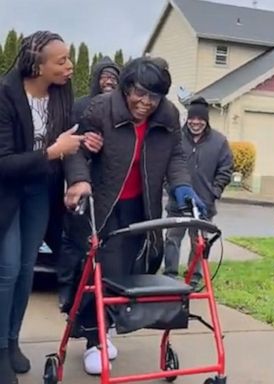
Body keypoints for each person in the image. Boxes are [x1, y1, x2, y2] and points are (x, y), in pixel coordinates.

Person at [63, 56, 206, 375]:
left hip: (140, 206)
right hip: (102, 204)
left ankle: (106, 329)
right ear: (127, 87)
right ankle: (94, 341)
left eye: (154, 97)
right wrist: (79, 179)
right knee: (99, 272)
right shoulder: (100, 109)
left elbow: (176, 157)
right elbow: (75, 150)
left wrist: (182, 186)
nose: (146, 102)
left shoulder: (168, 116)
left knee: (132, 270)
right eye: (140, 93)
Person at [0, 31, 82, 384]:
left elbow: (71, 141)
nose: (69, 66)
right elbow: (3, 162)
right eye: (61, 60)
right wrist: (52, 151)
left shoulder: (62, 94)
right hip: (6, 192)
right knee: (7, 269)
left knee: (26, 268)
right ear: (38, 65)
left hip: (40, 192)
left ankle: (12, 340)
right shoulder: (5, 95)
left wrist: (79, 150)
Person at [57, 57, 120, 310]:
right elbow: (66, 139)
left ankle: (97, 298)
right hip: (79, 180)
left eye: (114, 76)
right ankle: (66, 290)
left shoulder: (121, 109)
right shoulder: (80, 105)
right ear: (96, 79)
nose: (109, 80)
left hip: (107, 185)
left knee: (104, 245)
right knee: (74, 241)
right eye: (104, 76)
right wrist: (84, 143)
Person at [163, 96, 233, 288]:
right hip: (177, 203)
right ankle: (170, 275)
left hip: (204, 204)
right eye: (192, 118)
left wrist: (214, 192)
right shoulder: (176, 138)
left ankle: (194, 277)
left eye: (200, 119)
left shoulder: (219, 142)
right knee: (172, 239)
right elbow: (165, 165)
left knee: (199, 242)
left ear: (206, 120)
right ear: (187, 119)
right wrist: (169, 188)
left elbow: (226, 169)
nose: (196, 122)